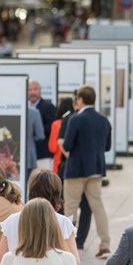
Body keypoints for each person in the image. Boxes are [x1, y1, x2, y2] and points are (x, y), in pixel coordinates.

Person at [62, 85, 112, 258]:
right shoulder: (103, 119)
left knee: (71, 206)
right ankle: (105, 244)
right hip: (96, 168)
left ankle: (67, 244)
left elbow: (67, 145)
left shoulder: (75, 119)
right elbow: (107, 146)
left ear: (80, 99)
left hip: (76, 169)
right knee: (97, 205)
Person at [0, 170, 79, 265]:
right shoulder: (63, 223)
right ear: (57, 194)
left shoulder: (11, 220)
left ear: (31, 192)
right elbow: (75, 262)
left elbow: (1, 258)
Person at [50, 98, 92, 249]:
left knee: (64, 202)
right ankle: (79, 239)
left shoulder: (61, 122)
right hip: (88, 169)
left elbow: (53, 146)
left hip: (64, 168)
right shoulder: (87, 122)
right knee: (86, 205)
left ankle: (65, 236)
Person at [29, 80, 58, 170]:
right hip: (27, 155)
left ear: (40, 91)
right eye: (30, 89)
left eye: (35, 89)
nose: (33, 92)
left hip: (42, 154)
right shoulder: (23, 107)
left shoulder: (48, 107)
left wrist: (35, 129)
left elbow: (52, 128)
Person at [26, 103, 45, 180]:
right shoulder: (34, 112)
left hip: (5, 156)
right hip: (28, 155)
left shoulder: (3, 109)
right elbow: (40, 135)